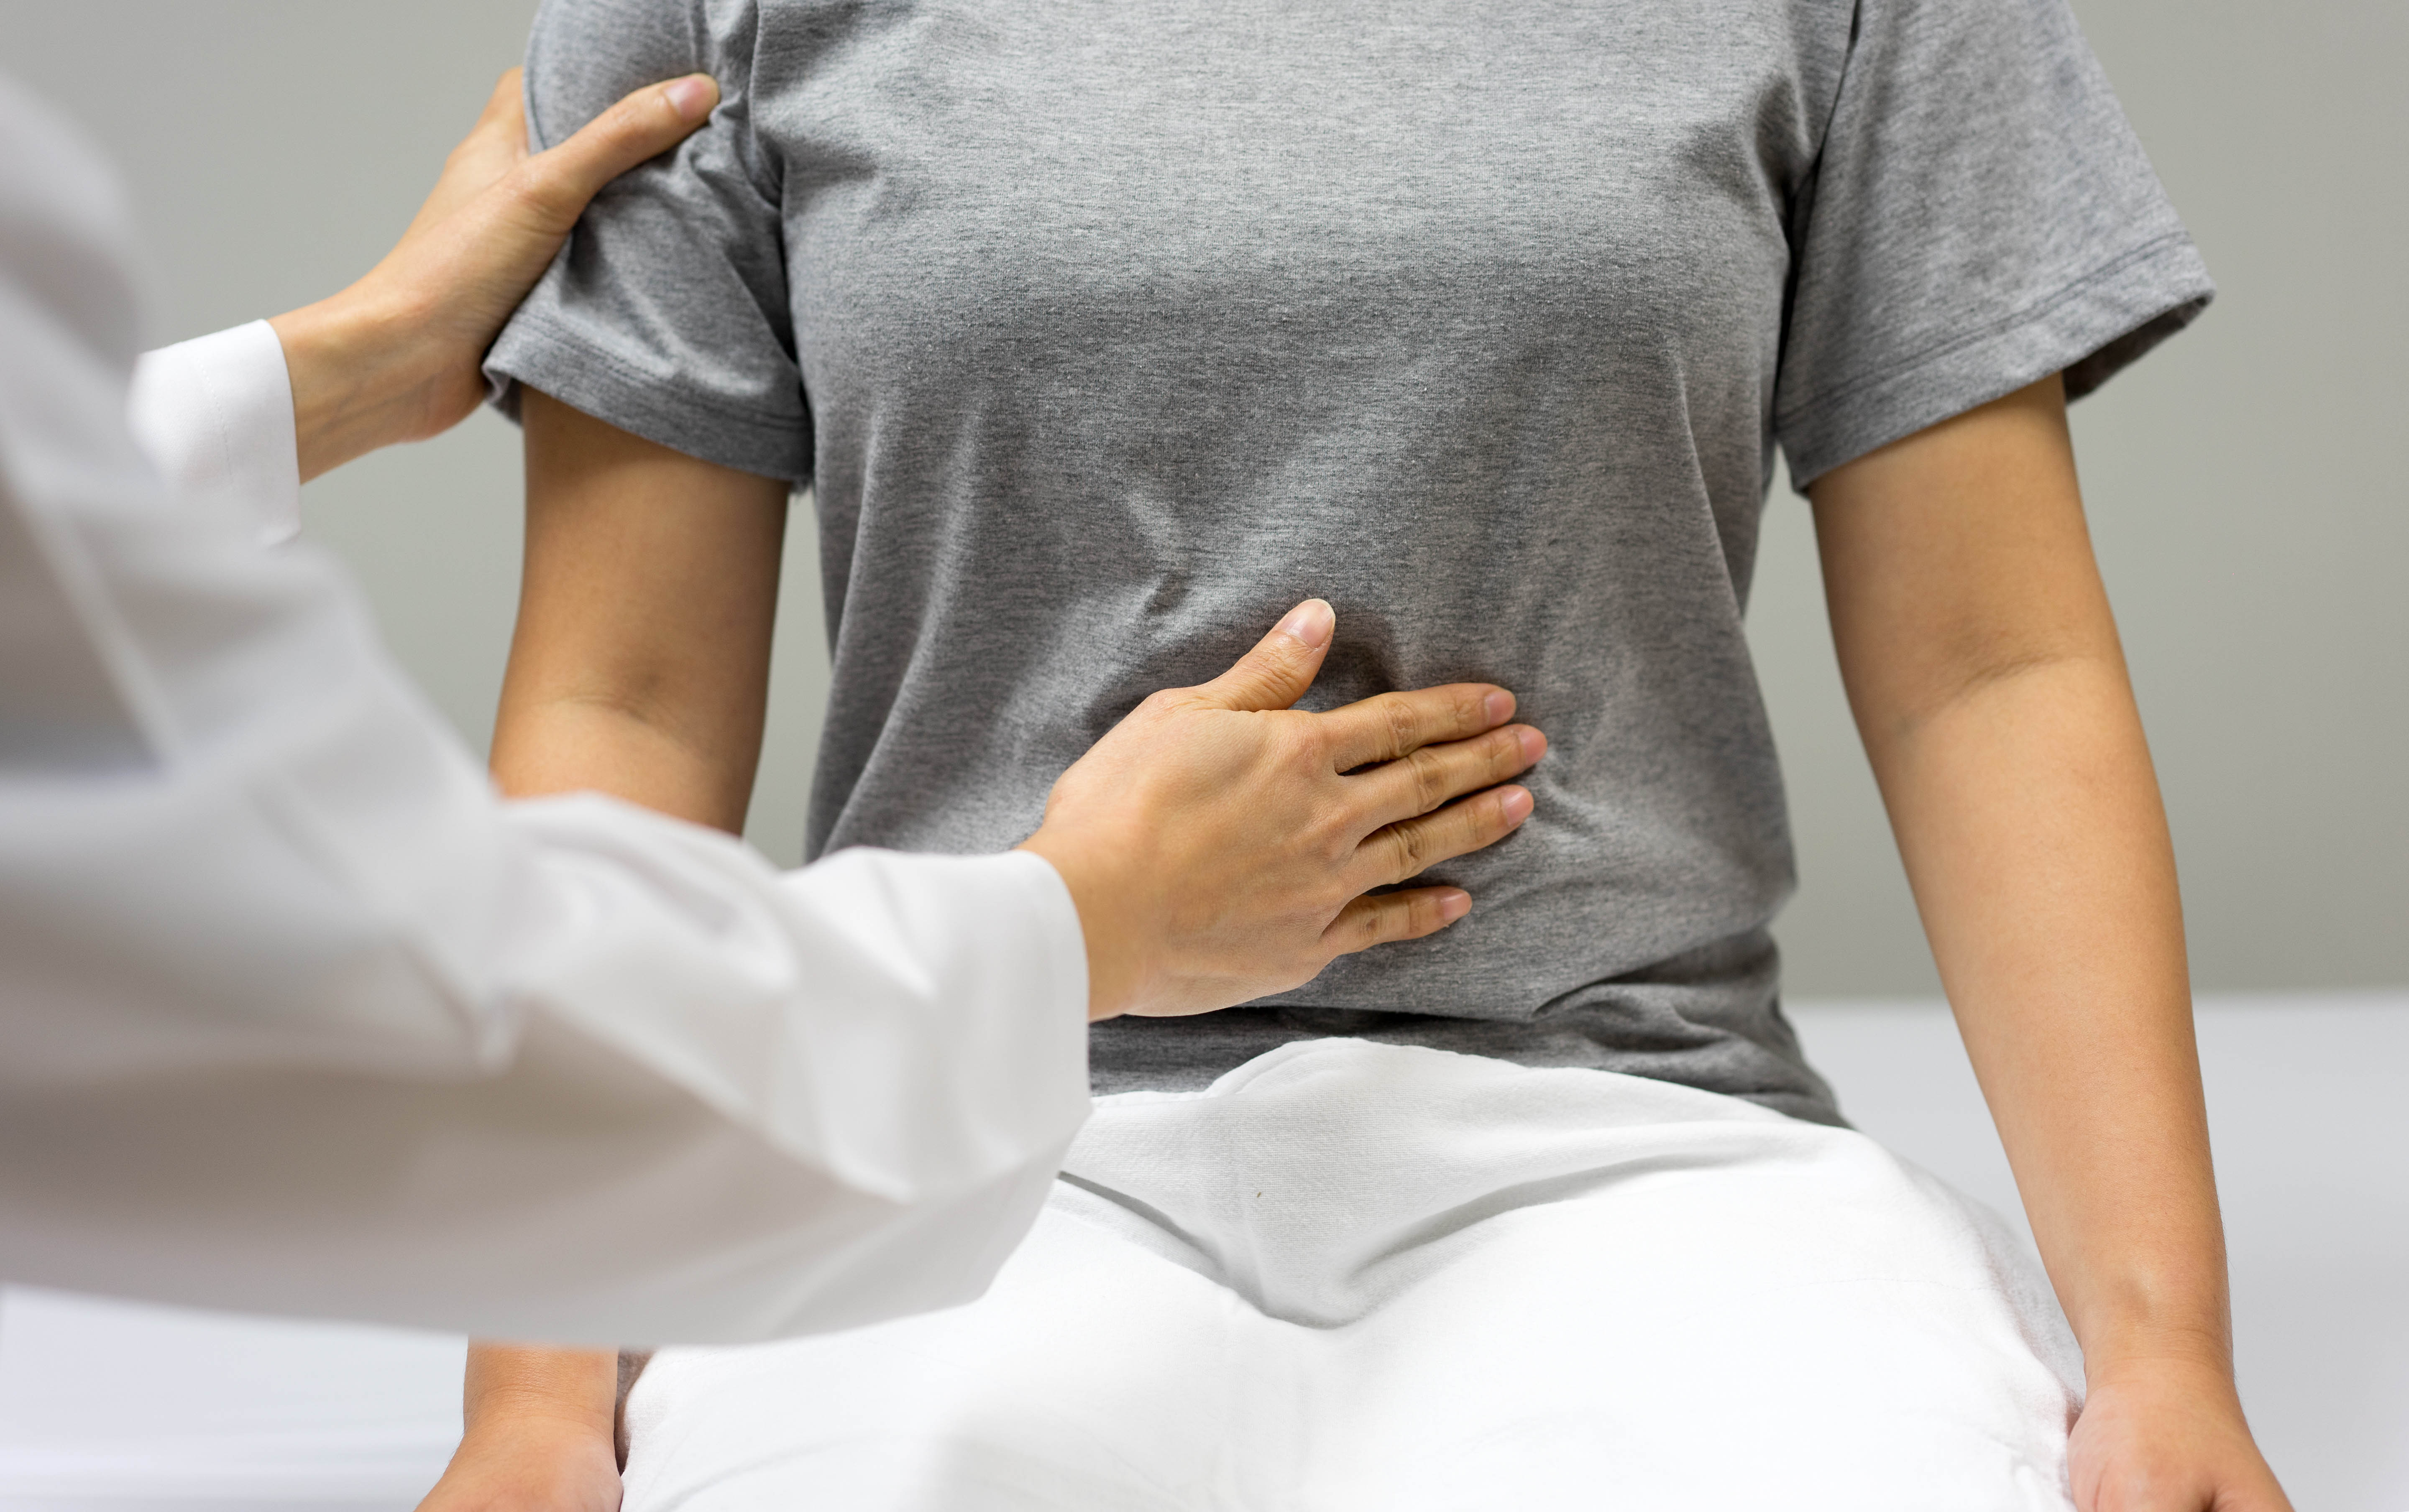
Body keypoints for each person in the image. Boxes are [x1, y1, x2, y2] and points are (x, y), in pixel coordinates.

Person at [432, 0, 2292, 1505]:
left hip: (1638, 1146)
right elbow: (627, 702)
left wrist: (2159, 1358)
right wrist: (531, 1397)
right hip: (952, 1147)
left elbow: (1992, 667)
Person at [0, 66, 1545, 1346]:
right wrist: (1091, 918)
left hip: (1600, 1130)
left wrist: (342, 373)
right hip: (1029, 1189)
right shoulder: (707, 36)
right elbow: (453, 950)